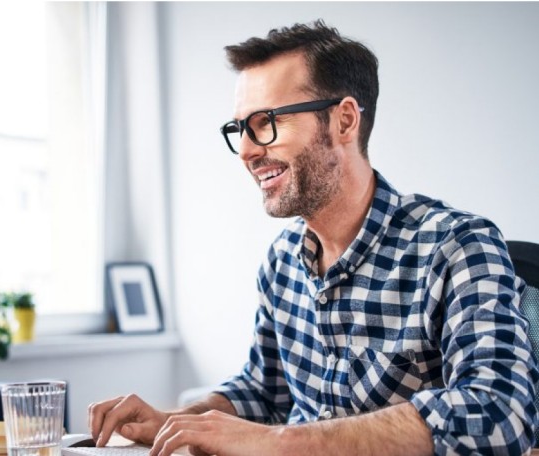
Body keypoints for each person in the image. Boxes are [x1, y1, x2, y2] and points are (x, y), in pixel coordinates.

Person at [88, 20, 539, 456]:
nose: (245, 150)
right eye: (239, 128)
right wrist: (178, 419)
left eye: (265, 122)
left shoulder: (456, 247)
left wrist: (278, 443)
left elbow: (500, 415)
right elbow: (264, 392)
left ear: (344, 121)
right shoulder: (283, 261)